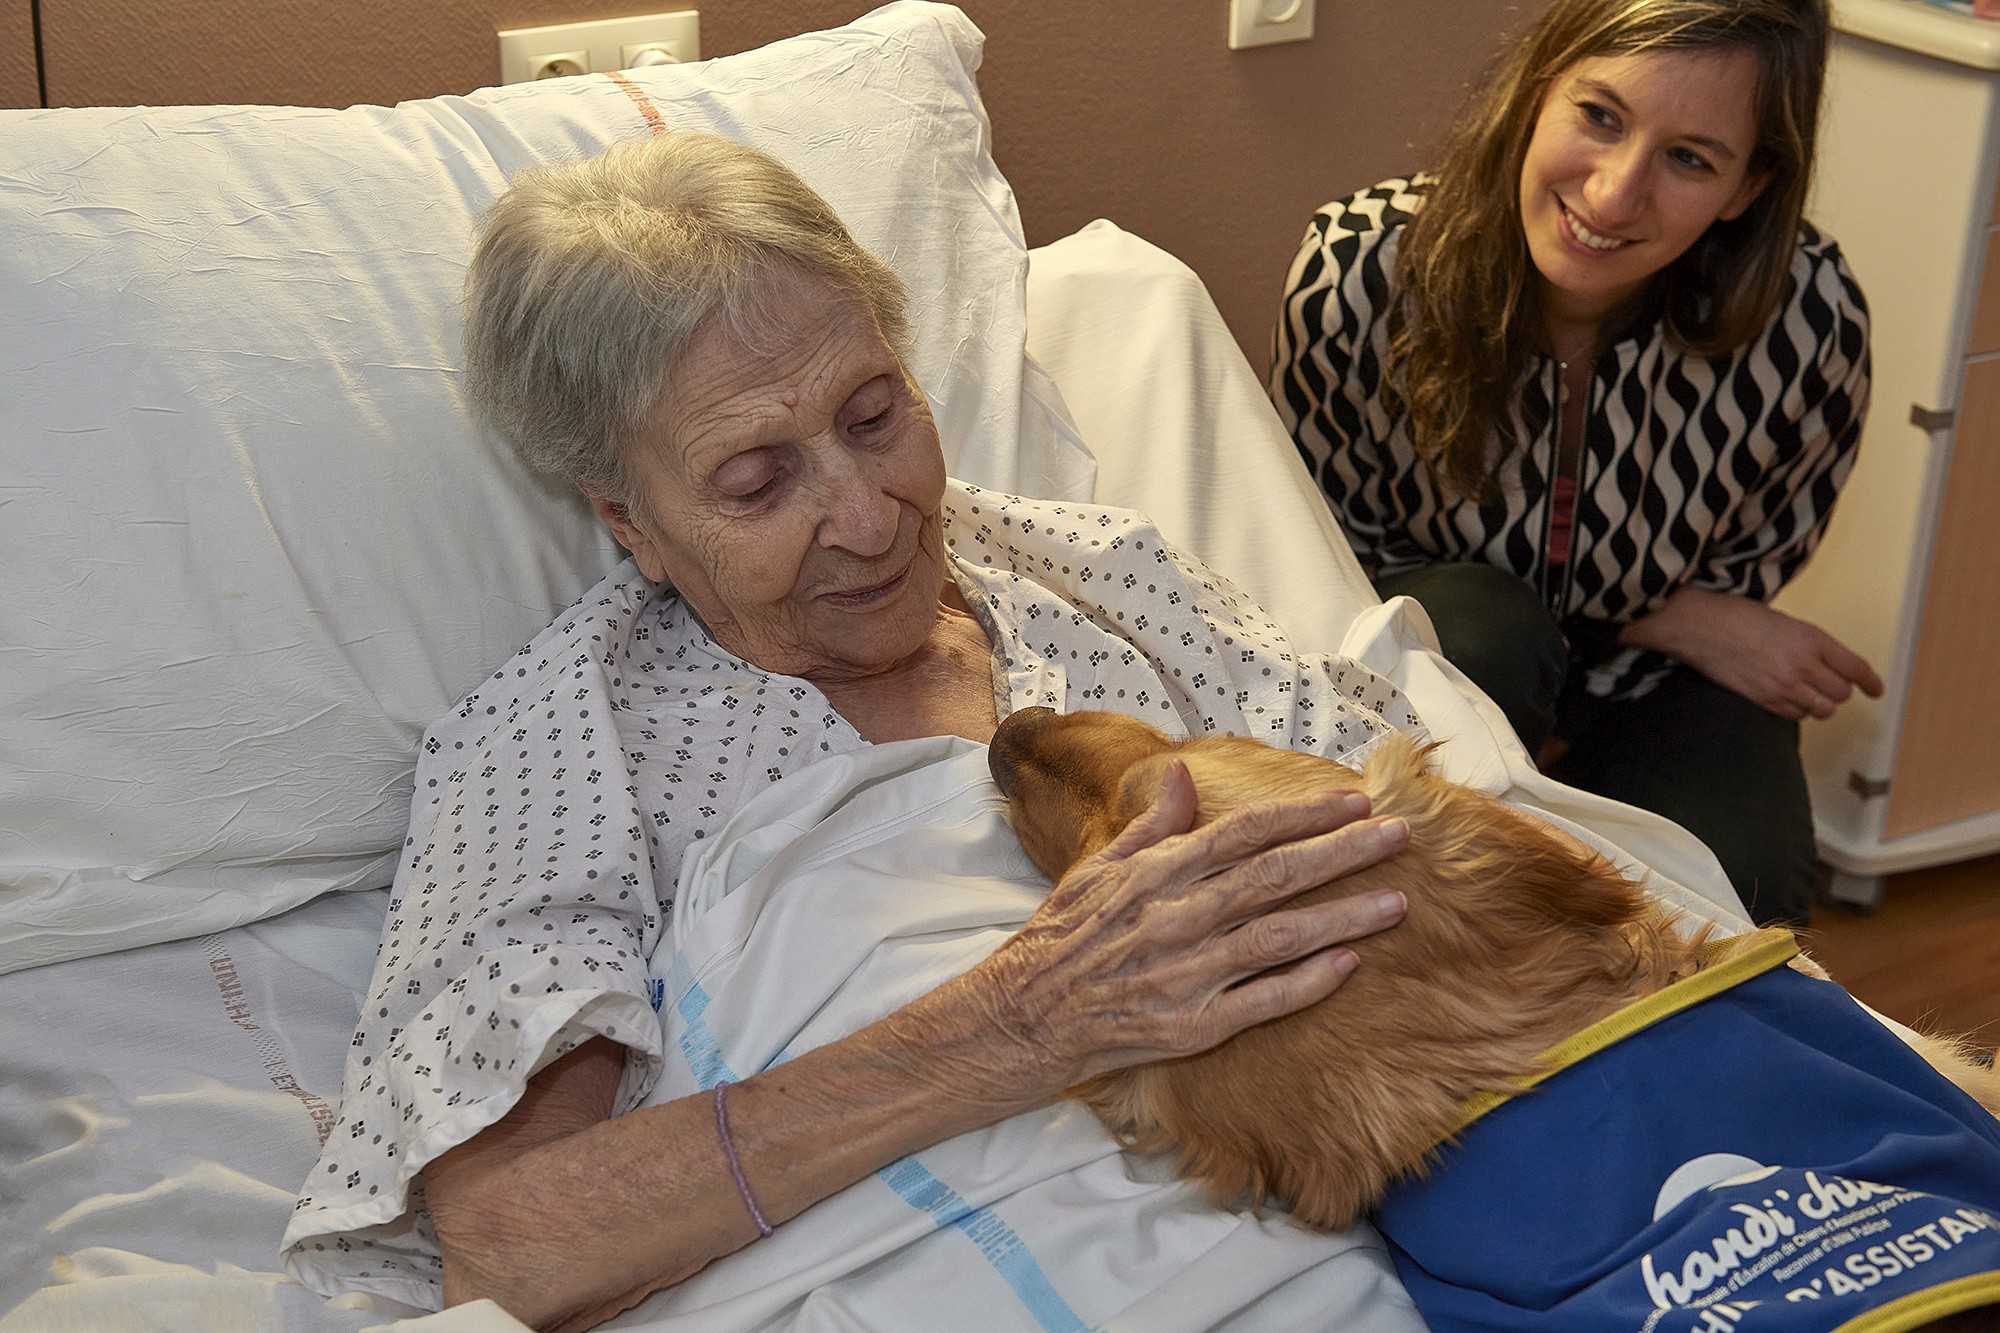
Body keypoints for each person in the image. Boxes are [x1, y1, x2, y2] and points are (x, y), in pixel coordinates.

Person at [282, 130, 1425, 1332]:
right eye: (755, 482)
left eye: (874, 416)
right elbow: (516, 1248)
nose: (871, 519)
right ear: (631, 523)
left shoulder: (1098, 575)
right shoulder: (559, 744)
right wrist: (1015, 1024)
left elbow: (1430, 842)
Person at [1269, 0, 1878, 929]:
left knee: (1743, 894)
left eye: (1690, 159)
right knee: (1484, 632)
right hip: (1452, 652)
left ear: (1748, 185)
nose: (1613, 196)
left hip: (1651, 686)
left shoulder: (1812, 320)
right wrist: (1665, 614)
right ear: (1536, 90)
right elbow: (1329, 571)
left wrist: (1657, 630)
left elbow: (1747, 565)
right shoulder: (1358, 271)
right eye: (1599, 115)